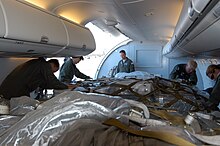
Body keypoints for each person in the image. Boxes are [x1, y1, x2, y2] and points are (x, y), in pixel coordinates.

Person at [0, 58, 74, 100]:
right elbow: (51, 80)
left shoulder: (38, 66)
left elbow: (44, 84)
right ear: (52, 65)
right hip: (15, 90)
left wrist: (61, 86)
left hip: (12, 89)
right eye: (54, 71)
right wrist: (66, 87)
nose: (53, 73)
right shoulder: (44, 64)